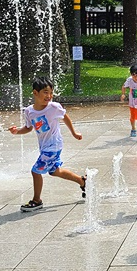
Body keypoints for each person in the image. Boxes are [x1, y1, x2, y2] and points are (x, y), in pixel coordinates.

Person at [8, 75, 85, 212]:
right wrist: (17, 132)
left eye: (51, 92)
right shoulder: (29, 111)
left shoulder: (54, 107)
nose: (49, 96)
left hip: (54, 146)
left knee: (35, 171)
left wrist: (74, 133)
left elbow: (65, 117)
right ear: (35, 93)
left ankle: (37, 201)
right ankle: (82, 181)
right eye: (45, 92)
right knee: (55, 171)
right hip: (45, 147)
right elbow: (28, 128)